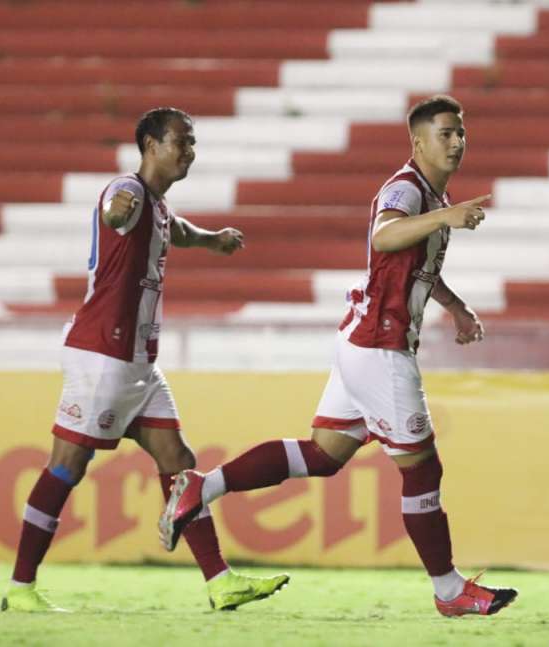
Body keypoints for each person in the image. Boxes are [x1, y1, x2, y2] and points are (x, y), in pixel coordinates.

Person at [159, 95, 518, 618]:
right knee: (422, 469)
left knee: (324, 455)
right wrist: (449, 216)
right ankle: (449, 590)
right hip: (379, 348)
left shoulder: (431, 197)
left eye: (461, 133)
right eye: (446, 133)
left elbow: (414, 264)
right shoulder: (407, 189)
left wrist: (456, 307)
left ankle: (200, 485)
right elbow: (385, 233)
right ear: (418, 142)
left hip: (361, 341)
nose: (458, 142)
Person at [1, 107, 289, 613]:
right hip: (101, 357)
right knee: (67, 467)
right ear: (151, 145)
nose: (190, 152)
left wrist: (213, 240)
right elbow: (118, 205)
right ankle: (21, 588)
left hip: (138, 362)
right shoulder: (129, 191)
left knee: (179, 464)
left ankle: (220, 582)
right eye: (182, 141)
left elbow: (175, 229)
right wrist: (117, 208)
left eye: (194, 143)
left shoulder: (155, 206)